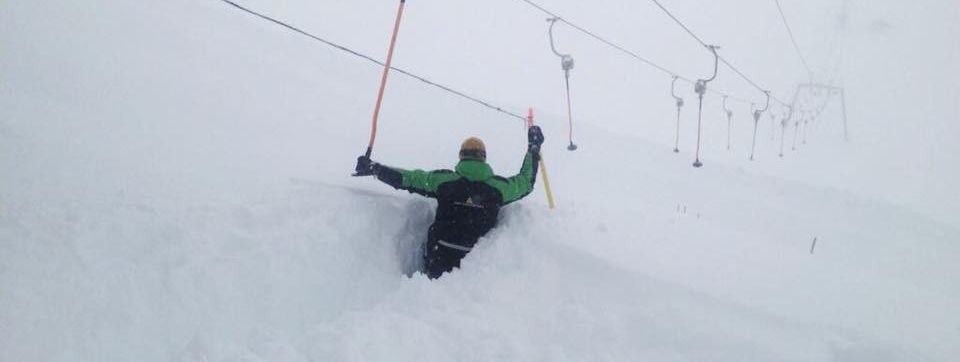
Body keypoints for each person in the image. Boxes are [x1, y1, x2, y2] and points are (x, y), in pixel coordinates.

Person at [354, 126, 544, 279]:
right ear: (483, 158)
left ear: (461, 156)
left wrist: (375, 169)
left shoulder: (444, 181)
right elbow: (525, 182)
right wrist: (533, 149)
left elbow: (409, 179)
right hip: (476, 266)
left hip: (439, 256)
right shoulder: (499, 188)